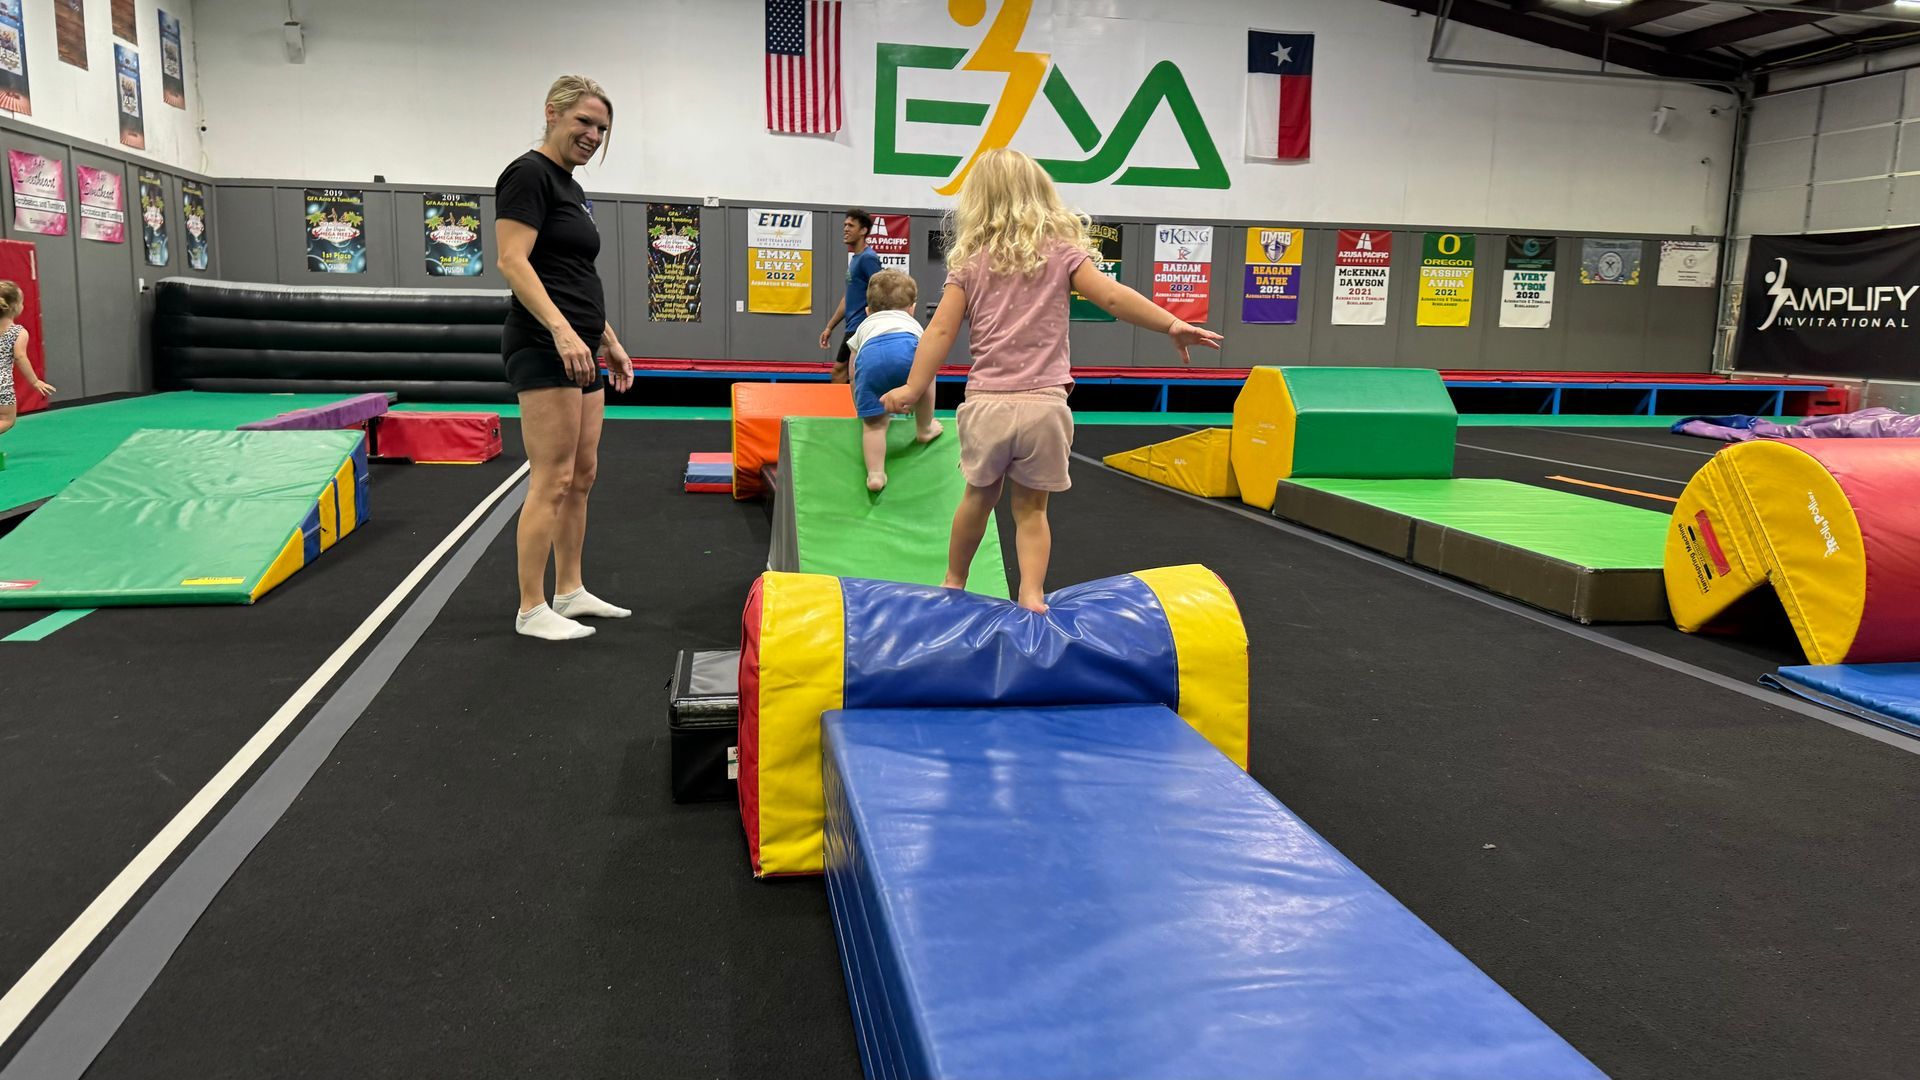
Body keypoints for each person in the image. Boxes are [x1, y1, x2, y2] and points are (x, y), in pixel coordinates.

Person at [882, 148, 1222, 613]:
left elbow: (940, 331)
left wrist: (912, 387)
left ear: (978, 204)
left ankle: (954, 581)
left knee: (978, 498)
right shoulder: (1063, 254)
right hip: (1045, 406)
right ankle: (1032, 594)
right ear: (1042, 196)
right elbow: (1115, 298)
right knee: (1032, 510)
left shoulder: (970, 264)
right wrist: (1171, 324)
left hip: (988, 406)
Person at [494, 75, 635, 641]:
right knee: (551, 477)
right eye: (584, 122)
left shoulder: (572, 187)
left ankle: (570, 591)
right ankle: (531, 608)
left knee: (582, 475)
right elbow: (512, 260)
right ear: (553, 113)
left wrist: (609, 340)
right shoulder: (528, 174)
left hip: (580, 343)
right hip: (542, 342)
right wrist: (560, 331)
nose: (593, 135)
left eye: (601, 128)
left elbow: (573, 275)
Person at [846, 269, 940, 492]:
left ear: (869, 311)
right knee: (927, 375)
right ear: (912, 309)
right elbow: (927, 358)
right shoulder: (912, 324)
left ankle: (875, 475)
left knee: (874, 426)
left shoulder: (863, 327)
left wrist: (861, 405)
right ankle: (925, 427)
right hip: (906, 350)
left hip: (869, 361)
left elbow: (853, 370)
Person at [818, 209, 882, 384]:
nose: (845, 229)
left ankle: (839, 410)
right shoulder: (856, 259)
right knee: (847, 372)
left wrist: (873, 325)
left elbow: (881, 291)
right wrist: (829, 327)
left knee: (841, 370)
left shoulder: (868, 259)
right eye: (845, 225)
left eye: (851, 225)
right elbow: (848, 297)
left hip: (861, 327)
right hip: (851, 326)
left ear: (863, 231)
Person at [0, 281, 54, 438]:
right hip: (2, 384)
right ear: (15, 307)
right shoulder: (18, 332)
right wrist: (35, 381)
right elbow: (20, 356)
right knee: (6, 419)